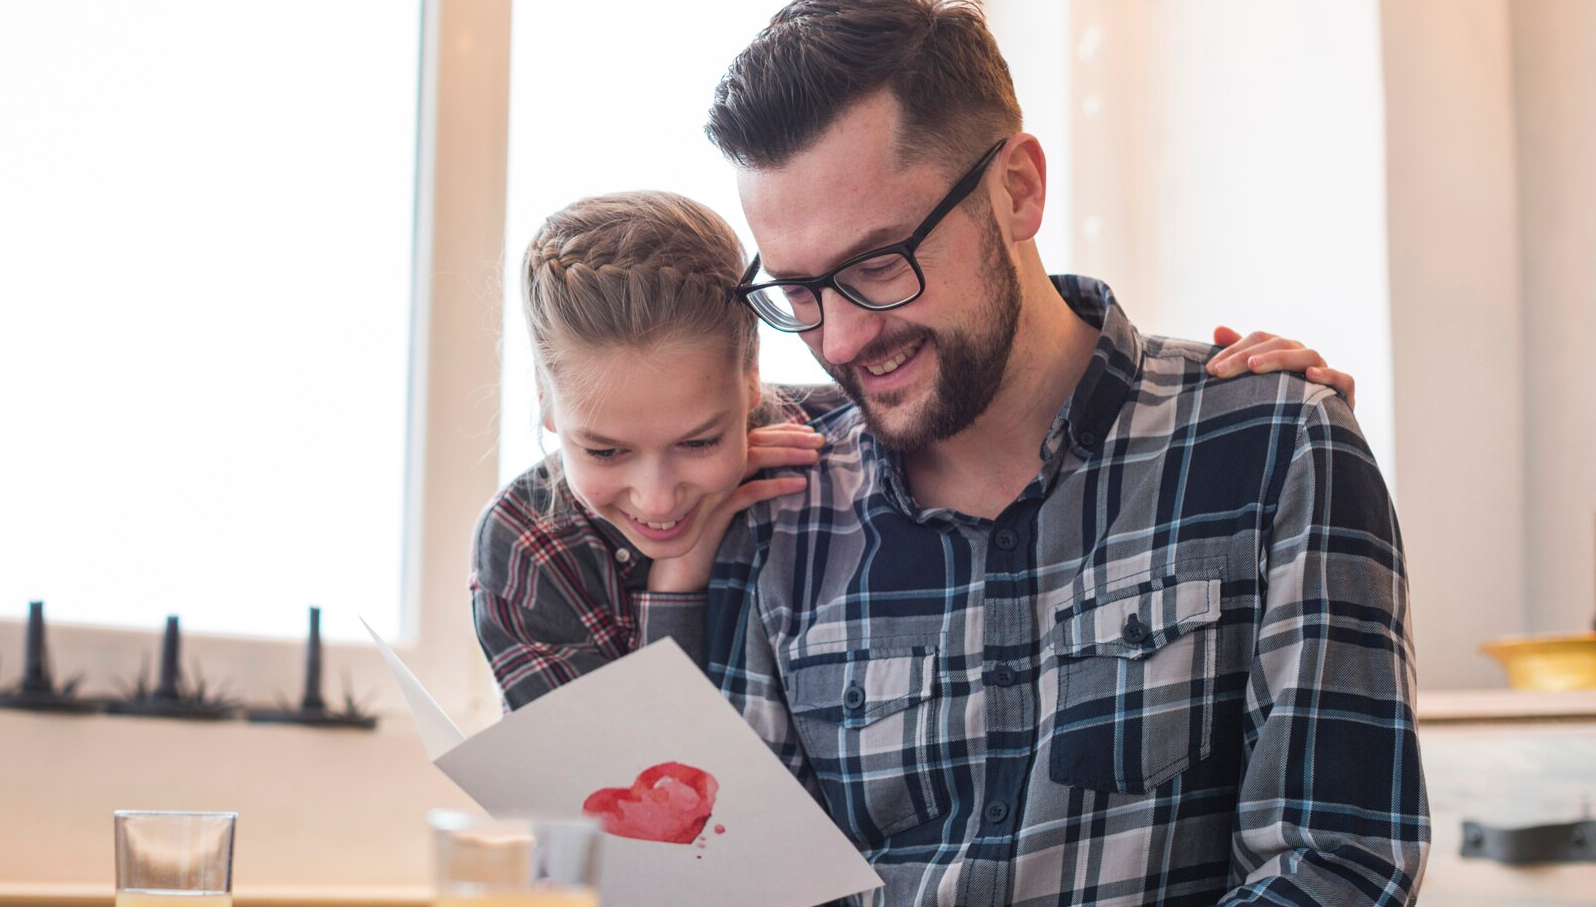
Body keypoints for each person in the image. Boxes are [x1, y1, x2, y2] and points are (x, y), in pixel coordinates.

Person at [587, 0, 1425, 907]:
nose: (840, 336)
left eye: (879, 263)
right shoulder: (777, 500)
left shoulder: (1271, 444)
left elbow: (1339, 888)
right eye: (796, 291)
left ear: (1017, 189)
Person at [472, 193, 1349, 712]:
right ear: (547, 412)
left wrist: (1258, 402)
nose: (657, 495)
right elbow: (643, 815)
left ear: (754, 382)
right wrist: (682, 581)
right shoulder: (529, 546)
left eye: (701, 441)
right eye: (606, 450)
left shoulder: (846, 450)